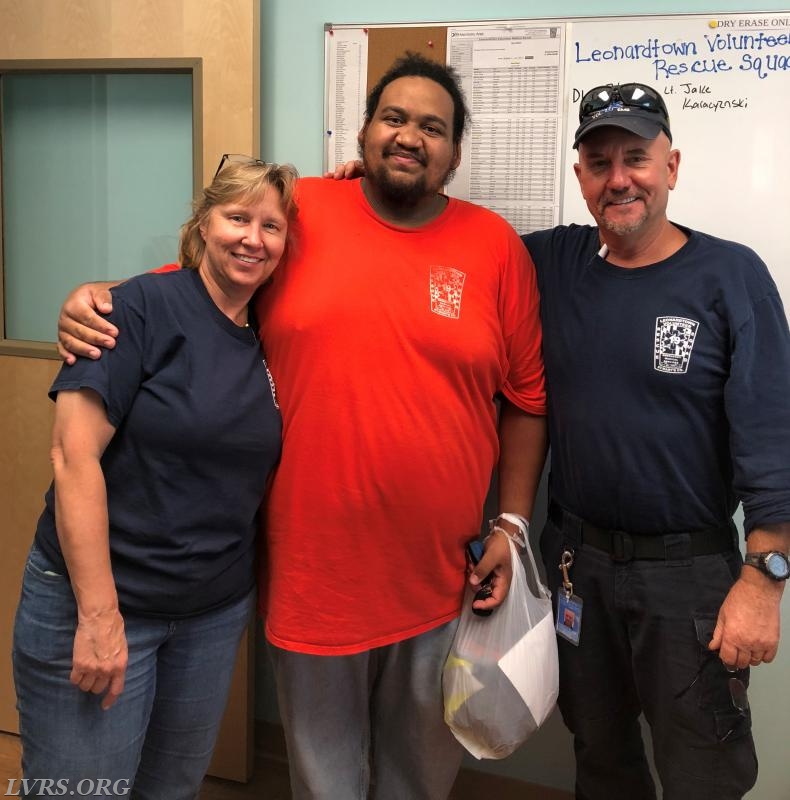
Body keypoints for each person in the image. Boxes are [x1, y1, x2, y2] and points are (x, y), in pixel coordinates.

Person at [53, 53, 548, 800]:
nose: (410, 135)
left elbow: (527, 398)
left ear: (453, 153)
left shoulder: (495, 247)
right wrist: (101, 300)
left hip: (443, 573)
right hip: (312, 569)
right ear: (364, 130)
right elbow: (211, 280)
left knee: (420, 775)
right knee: (325, 776)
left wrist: (511, 521)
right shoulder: (306, 212)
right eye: (395, 117)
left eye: (433, 127)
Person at [523, 83, 790, 799]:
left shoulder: (731, 278)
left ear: (671, 166)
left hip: (691, 577)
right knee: (599, 753)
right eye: (599, 161)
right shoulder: (554, 264)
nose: (619, 179)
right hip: (578, 567)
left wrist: (764, 582)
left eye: (636, 157)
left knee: (704, 769)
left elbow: (774, 438)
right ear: (579, 176)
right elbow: (445, 244)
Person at [13, 157, 298, 800]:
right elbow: (72, 456)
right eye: (237, 217)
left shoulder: (267, 337)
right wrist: (99, 616)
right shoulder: (139, 307)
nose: (253, 238)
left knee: (171, 788)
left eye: (271, 225)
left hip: (209, 618)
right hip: (105, 608)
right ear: (202, 224)